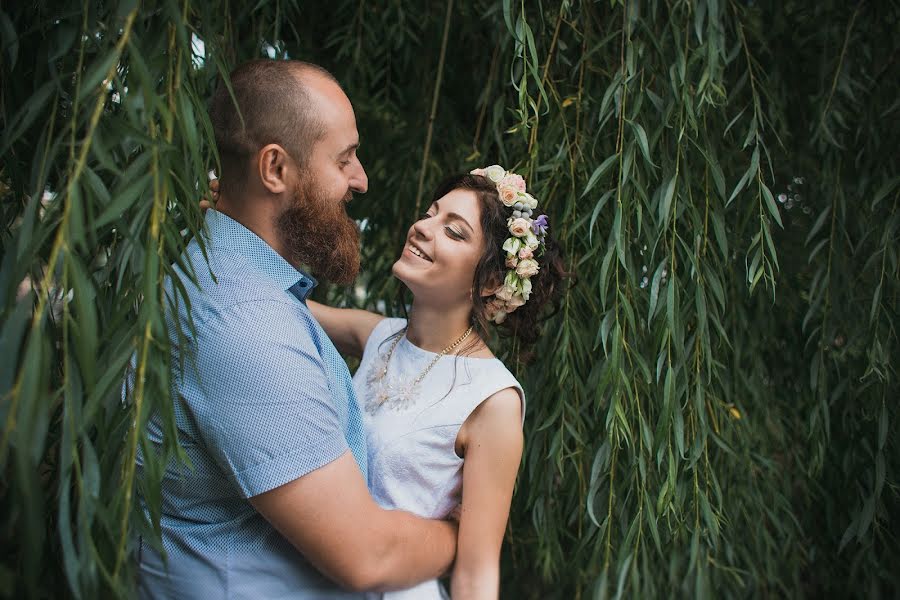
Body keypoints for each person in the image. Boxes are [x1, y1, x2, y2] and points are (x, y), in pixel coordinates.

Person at [133, 59, 457, 599]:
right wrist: (462, 532)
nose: (362, 180)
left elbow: (359, 332)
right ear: (275, 170)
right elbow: (366, 556)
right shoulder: (245, 323)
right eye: (344, 159)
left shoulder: (228, 275)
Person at [307, 166, 567, 599]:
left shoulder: (492, 399)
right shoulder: (380, 336)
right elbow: (283, 303)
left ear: (490, 282)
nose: (422, 228)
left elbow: (476, 574)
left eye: (455, 232)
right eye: (430, 214)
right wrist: (236, 223)